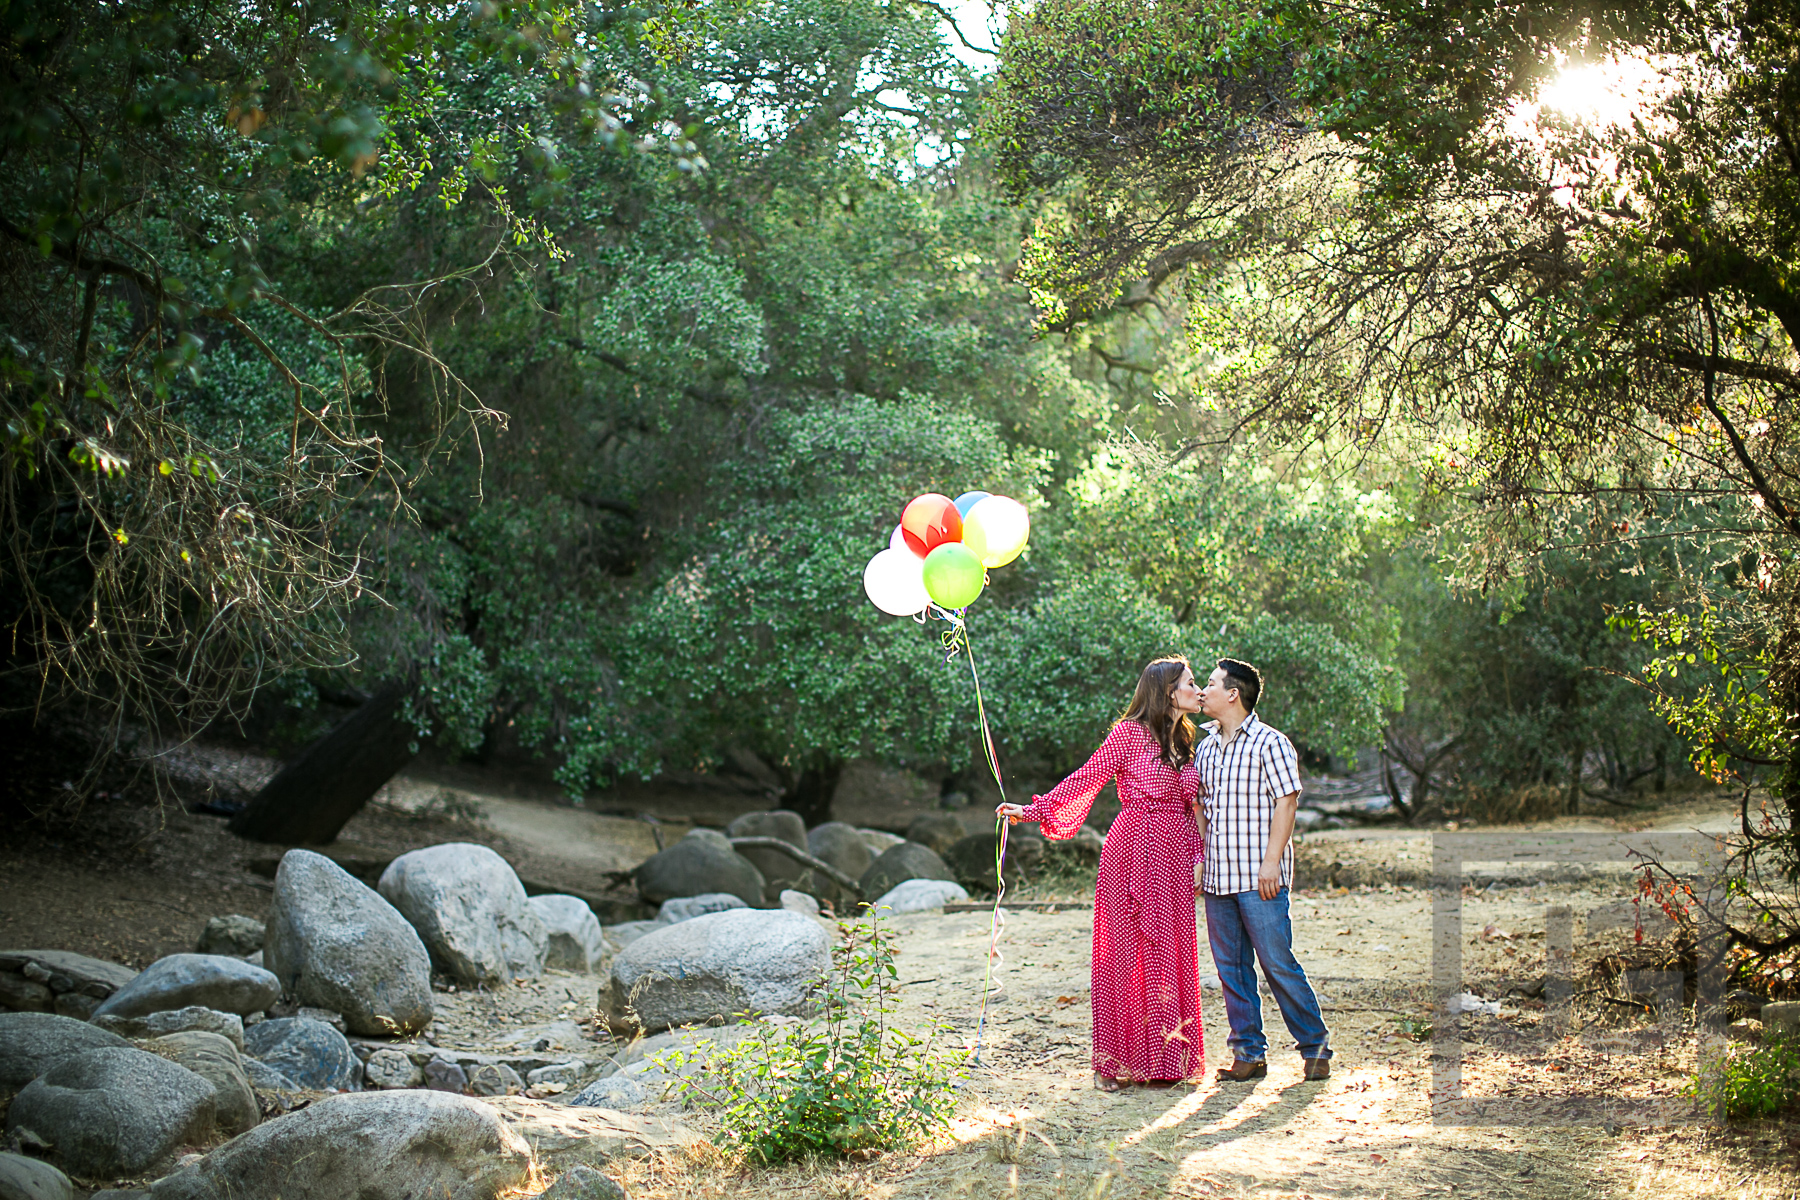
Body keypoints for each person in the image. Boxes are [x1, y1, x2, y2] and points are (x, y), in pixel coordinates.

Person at [997, 656, 1205, 1092]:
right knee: (1123, 956)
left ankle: (1167, 1058)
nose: (1197, 688)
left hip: (1174, 857)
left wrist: (1202, 855)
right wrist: (1033, 810)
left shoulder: (1189, 740)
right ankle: (1110, 1062)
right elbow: (1086, 779)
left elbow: (1198, 807)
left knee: (1170, 953)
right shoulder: (1128, 735)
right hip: (1131, 852)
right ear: (1168, 691)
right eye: (1190, 682)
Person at [1196, 657, 1333, 1082]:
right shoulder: (1204, 747)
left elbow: (1286, 802)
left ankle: (1315, 1048)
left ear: (1233, 694)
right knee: (1231, 968)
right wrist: (1201, 859)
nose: (1204, 689)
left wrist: (1272, 861)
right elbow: (1202, 807)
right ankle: (1248, 1053)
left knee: (1277, 962)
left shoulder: (1270, 743)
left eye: (1212, 683)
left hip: (1260, 877)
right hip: (1219, 877)